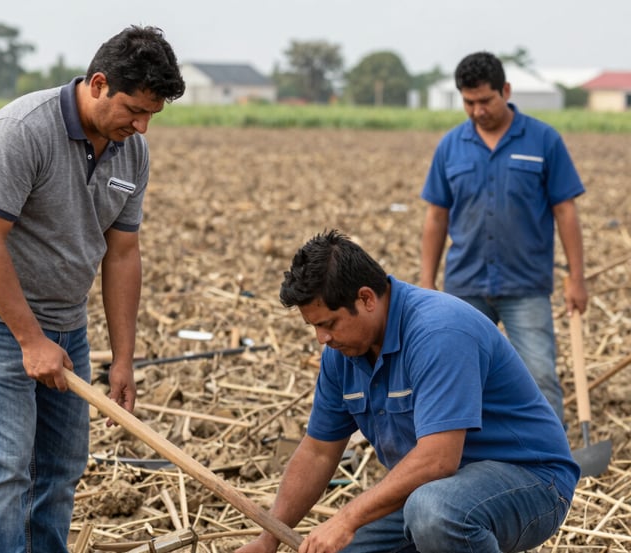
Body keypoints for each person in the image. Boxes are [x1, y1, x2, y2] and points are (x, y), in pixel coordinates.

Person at [0, 26, 185, 553]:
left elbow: (122, 254)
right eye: (134, 110)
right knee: (6, 464)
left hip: (67, 321)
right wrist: (31, 340)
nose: (142, 126)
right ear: (98, 84)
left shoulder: (131, 151)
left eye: (152, 115)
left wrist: (123, 358)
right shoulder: (22, 129)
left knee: (59, 467)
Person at [237, 230, 579, 553]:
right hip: (435, 490)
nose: (321, 339)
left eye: (328, 324)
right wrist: (268, 540)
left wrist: (347, 517)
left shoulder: (439, 332)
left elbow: (437, 460)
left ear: (366, 299)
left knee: (434, 514)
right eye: (314, 327)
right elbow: (318, 453)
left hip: (531, 481)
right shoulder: (341, 354)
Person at [419, 51, 587, 424]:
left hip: (525, 286)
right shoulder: (450, 146)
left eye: (485, 100)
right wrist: (427, 282)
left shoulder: (544, 140)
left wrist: (577, 278)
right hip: (465, 287)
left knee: (540, 376)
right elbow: (436, 217)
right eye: (469, 102)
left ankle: (550, 453)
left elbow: (565, 211)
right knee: (458, 379)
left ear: (505, 91)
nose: (478, 110)